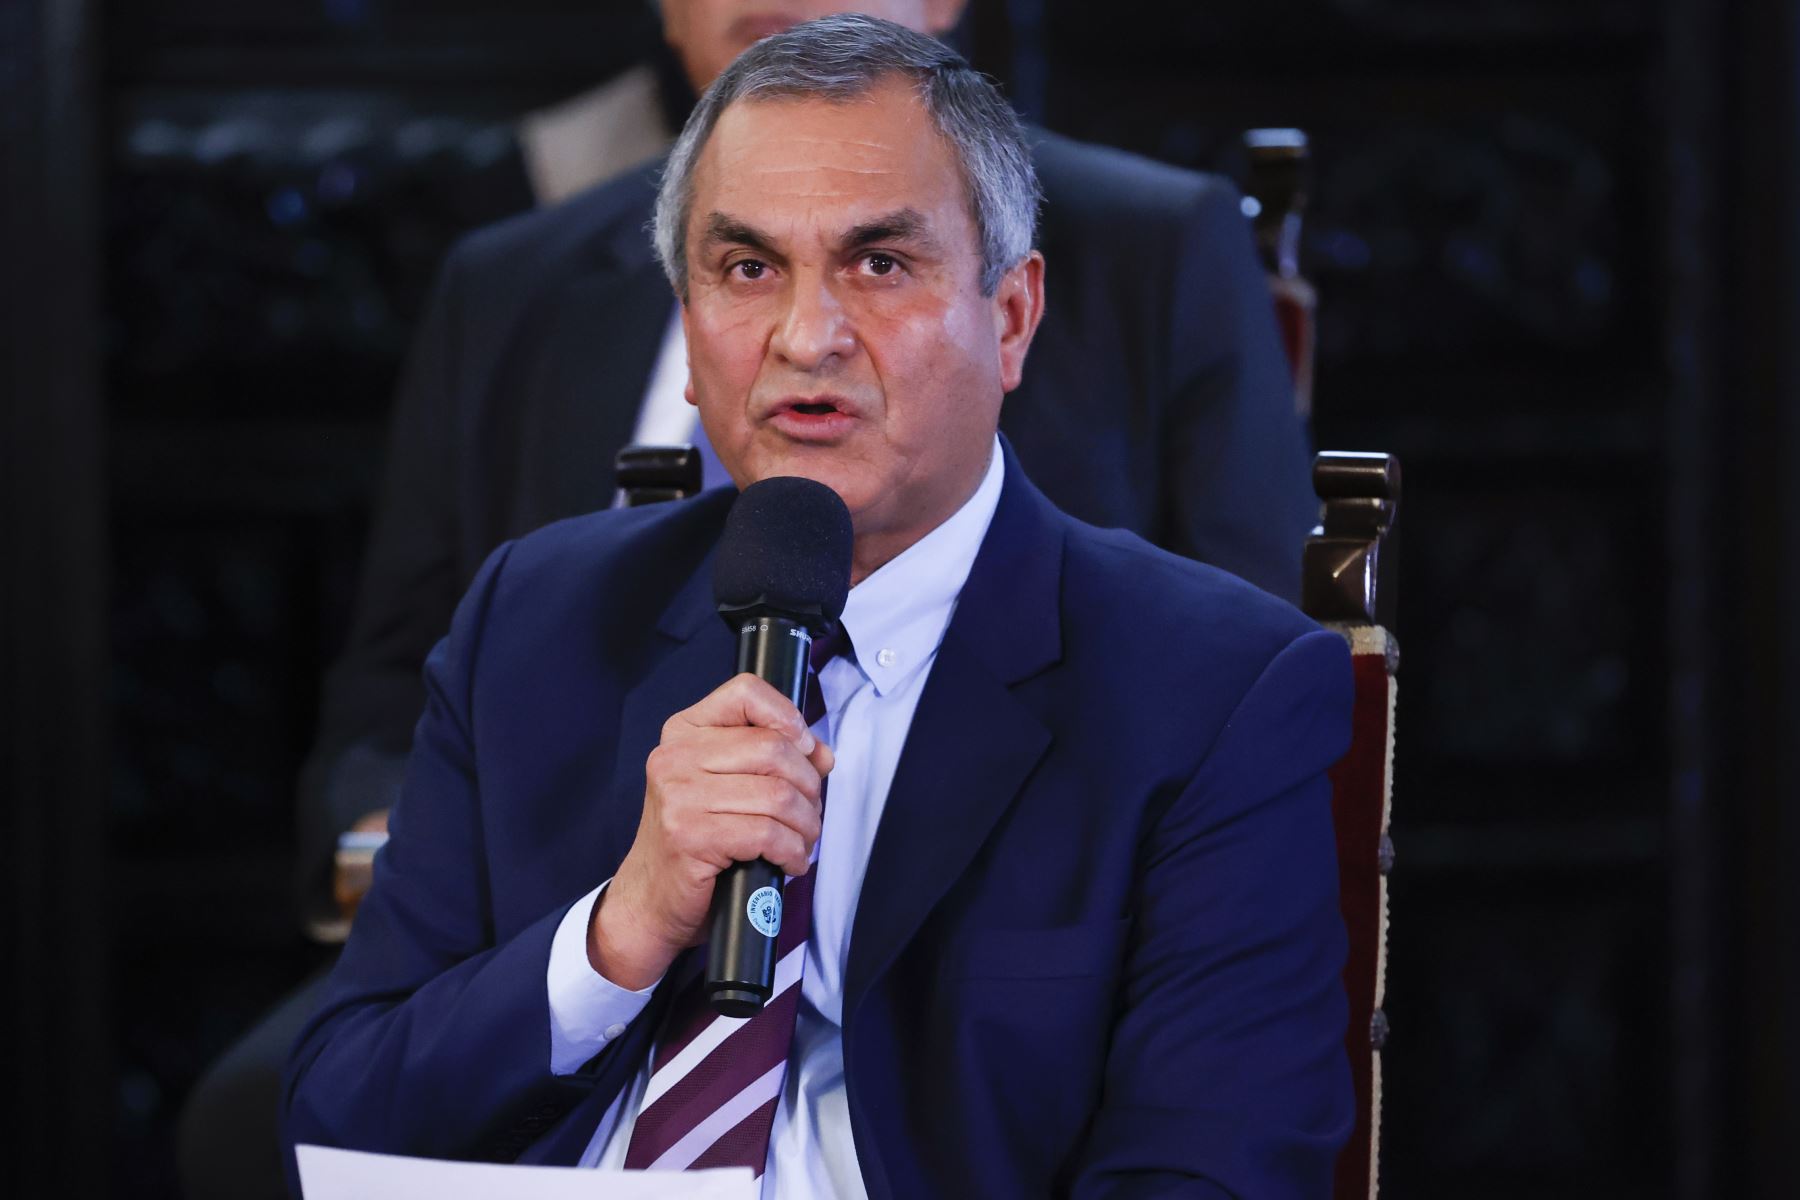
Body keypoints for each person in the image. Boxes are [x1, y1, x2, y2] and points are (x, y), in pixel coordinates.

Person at [181, 3, 1314, 1194]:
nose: (806, 337)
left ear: (1013, 315)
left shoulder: (1214, 690)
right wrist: (615, 936)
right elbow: (339, 1117)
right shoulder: (534, 619)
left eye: (880, 265)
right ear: (687, 319)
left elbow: (1206, 1171)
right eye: (747, 269)